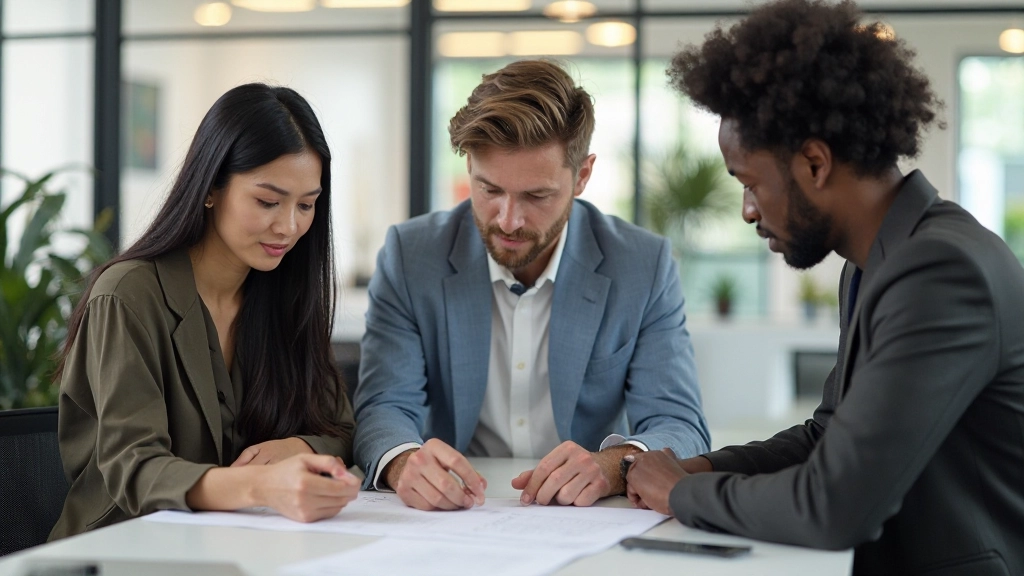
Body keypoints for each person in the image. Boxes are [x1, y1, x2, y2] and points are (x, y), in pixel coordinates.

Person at [624, 1, 1024, 574]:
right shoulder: (873, 263)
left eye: (750, 183)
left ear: (814, 163)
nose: (747, 210)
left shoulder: (939, 271)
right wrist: (700, 469)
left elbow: (836, 506)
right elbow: (828, 435)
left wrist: (678, 495)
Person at [354, 59, 710, 511]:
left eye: (536, 196)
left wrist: (613, 466)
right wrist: (404, 462)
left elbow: (679, 422)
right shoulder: (411, 255)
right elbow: (383, 405)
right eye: (488, 190)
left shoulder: (643, 265)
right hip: (454, 515)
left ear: (582, 175)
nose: (508, 220)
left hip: (587, 517)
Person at [50, 84, 360, 539]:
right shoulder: (127, 297)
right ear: (212, 187)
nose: (289, 226)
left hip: (235, 546)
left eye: (307, 205)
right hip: (123, 549)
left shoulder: (282, 294)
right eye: (268, 201)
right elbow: (133, 467)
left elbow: (343, 428)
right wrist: (258, 485)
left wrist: (296, 447)